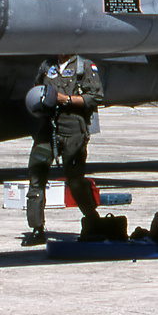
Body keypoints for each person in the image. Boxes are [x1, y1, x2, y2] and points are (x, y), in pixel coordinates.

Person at [23, 54, 104, 245]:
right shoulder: (46, 65)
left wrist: (64, 99)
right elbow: (37, 89)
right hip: (48, 128)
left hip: (73, 130)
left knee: (75, 180)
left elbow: (95, 97)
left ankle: (93, 221)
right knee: (36, 174)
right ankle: (36, 228)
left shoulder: (84, 67)